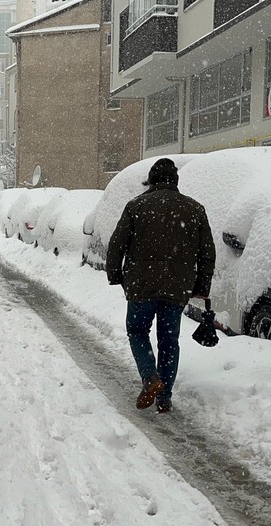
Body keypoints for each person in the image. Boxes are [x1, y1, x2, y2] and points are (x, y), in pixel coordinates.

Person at [105, 158, 215, 414]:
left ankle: (150, 377)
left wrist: (116, 275)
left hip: (141, 285)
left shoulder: (136, 206)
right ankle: (164, 397)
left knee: (137, 331)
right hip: (177, 287)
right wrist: (202, 285)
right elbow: (207, 252)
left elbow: (117, 245)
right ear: (175, 181)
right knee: (169, 340)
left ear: (152, 180)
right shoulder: (194, 209)